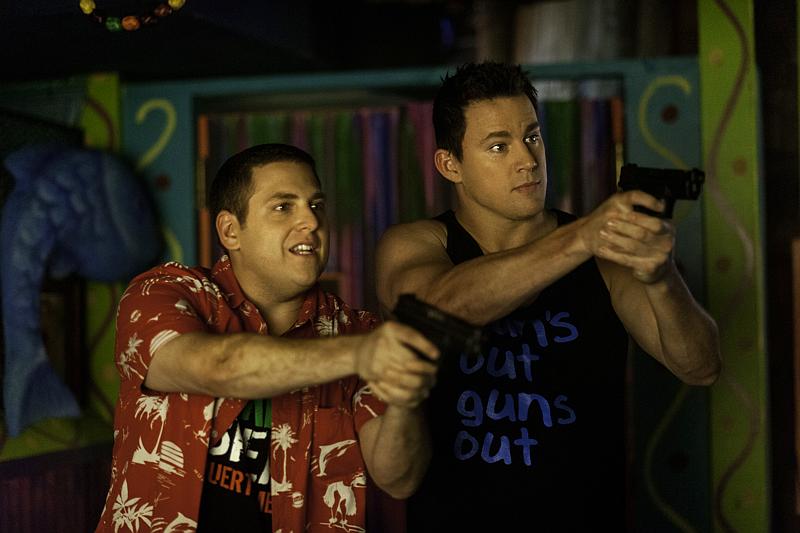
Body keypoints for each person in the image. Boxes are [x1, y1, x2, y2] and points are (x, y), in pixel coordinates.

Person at [375, 61, 721, 531]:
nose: (527, 159)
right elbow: (437, 308)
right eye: (499, 146)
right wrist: (582, 238)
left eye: (532, 137)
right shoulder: (416, 244)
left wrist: (661, 277)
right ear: (450, 164)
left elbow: (700, 366)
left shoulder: (603, 254)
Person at [95, 143, 439, 533]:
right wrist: (363, 354)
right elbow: (220, 367)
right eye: (283, 207)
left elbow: (399, 479)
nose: (311, 220)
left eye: (316, 205)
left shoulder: (359, 331)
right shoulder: (164, 293)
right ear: (230, 231)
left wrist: (405, 397)